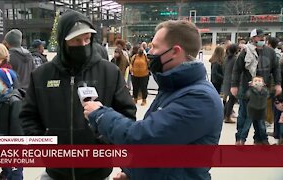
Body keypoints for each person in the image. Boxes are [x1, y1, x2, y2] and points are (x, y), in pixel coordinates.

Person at [83, 20, 223, 179]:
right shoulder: (173, 87)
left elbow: (144, 138)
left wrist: (100, 115)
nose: (150, 52)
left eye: (155, 47)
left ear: (175, 51)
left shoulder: (200, 99)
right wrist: (133, 174)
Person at [19, 9, 136, 180]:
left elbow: (127, 114)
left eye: (87, 39)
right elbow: (27, 116)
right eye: (76, 40)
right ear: (63, 42)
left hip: (98, 171)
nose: (83, 44)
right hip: (55, 172)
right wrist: (44, 144)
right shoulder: (42, 75)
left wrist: (105, 140)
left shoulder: (109, 72)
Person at [231, 28, 281, 145]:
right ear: (253, 38)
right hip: (247, 89)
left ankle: (260, 139)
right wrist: (234, 85)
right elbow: (237, 70)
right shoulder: (245, 52)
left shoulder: (270, 52)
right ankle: (240, 139)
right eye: (259, 37)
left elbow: (276, 69)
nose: (262, 38)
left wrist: (278, 84)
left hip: (263, 90)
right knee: (245, 115)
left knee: (260, 116)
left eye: (263, 36)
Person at [0, 68, 24, 180]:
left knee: (15, 173)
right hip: (2, 142)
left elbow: (17, 127)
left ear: (6, 82)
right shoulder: (1, 98)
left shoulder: (13, 100)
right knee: (8, 170)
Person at [245, 76, 269, 144]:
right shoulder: (250, 91)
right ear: (251, 83)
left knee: (262, 127)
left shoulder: (265, 91)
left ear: (263, 83)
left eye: (259, 81)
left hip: (261, 113)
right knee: (254, 126)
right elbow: (247, 97)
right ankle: (256, 140)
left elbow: (267, 96)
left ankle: (264, 140)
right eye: (255, 81)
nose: (257, 82)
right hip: (252, 112)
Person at [223, 44, 239, 123]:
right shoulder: (235, 59)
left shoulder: (226, 58)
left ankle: (225, 114)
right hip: (232, 81)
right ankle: (227, 116)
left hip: (226, 80)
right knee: (232, 99)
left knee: (229, 99)